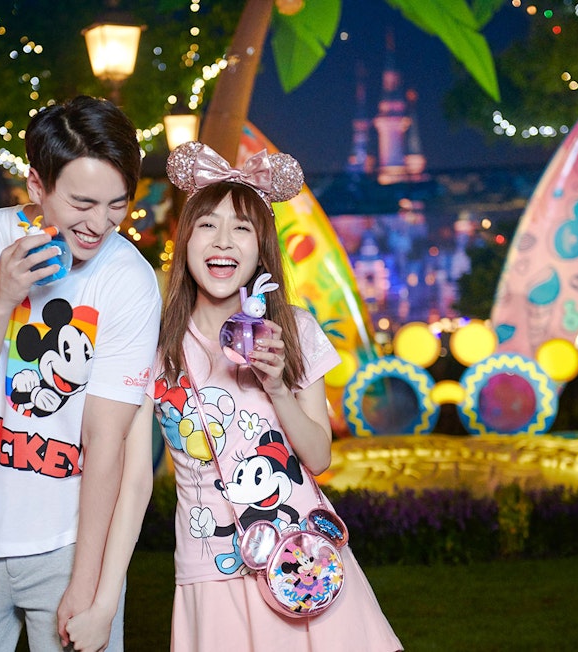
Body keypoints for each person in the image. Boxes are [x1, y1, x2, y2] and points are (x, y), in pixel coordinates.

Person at [66, 141, 402, 651]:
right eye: (207, 225)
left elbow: (319, 455)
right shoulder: (154, 345)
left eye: (241, 228)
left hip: (303, 561)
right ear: (184, 241)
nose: (223, 242)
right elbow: (133, 482)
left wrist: (276, 387)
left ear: (261, 248)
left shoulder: (296, 330)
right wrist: (104, 604)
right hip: (211, 573)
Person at [0, 95, 161, 652]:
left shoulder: (130, 280)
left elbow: (105, 439)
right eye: (83, 202)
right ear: (37, 185)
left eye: (117, 204)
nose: (101, 224)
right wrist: (2, 297)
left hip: (69, 542)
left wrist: (88, 582)